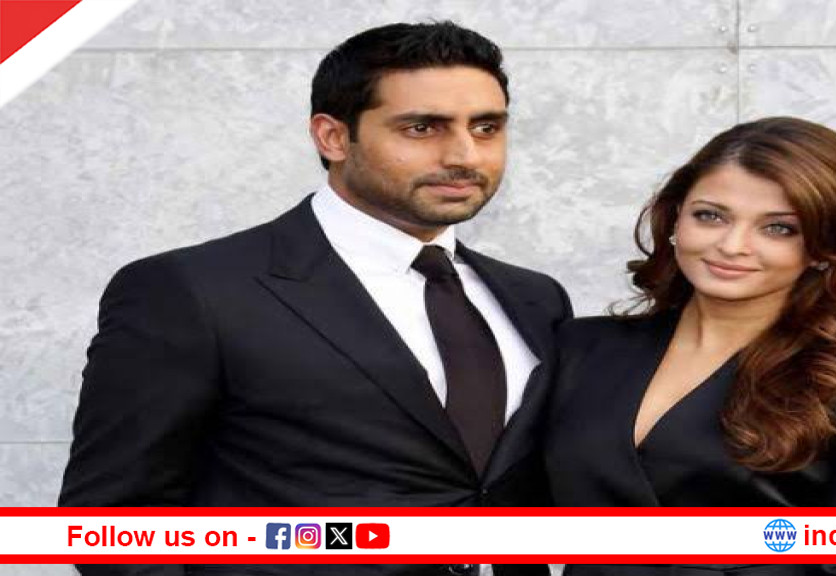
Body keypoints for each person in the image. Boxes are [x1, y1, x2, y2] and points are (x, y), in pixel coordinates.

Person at [59, 21, 572, 576]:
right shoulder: (192, 291)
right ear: (332, 137)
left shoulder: (535, 299)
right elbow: (110, 525)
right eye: (422, 127)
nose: (464, 154)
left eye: (487, 127)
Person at [545, 117, 836, 576]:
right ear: (675, 218)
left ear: (824, 247)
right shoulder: (581, 347)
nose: (733, 245)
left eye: (779, 228)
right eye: (710, 216)